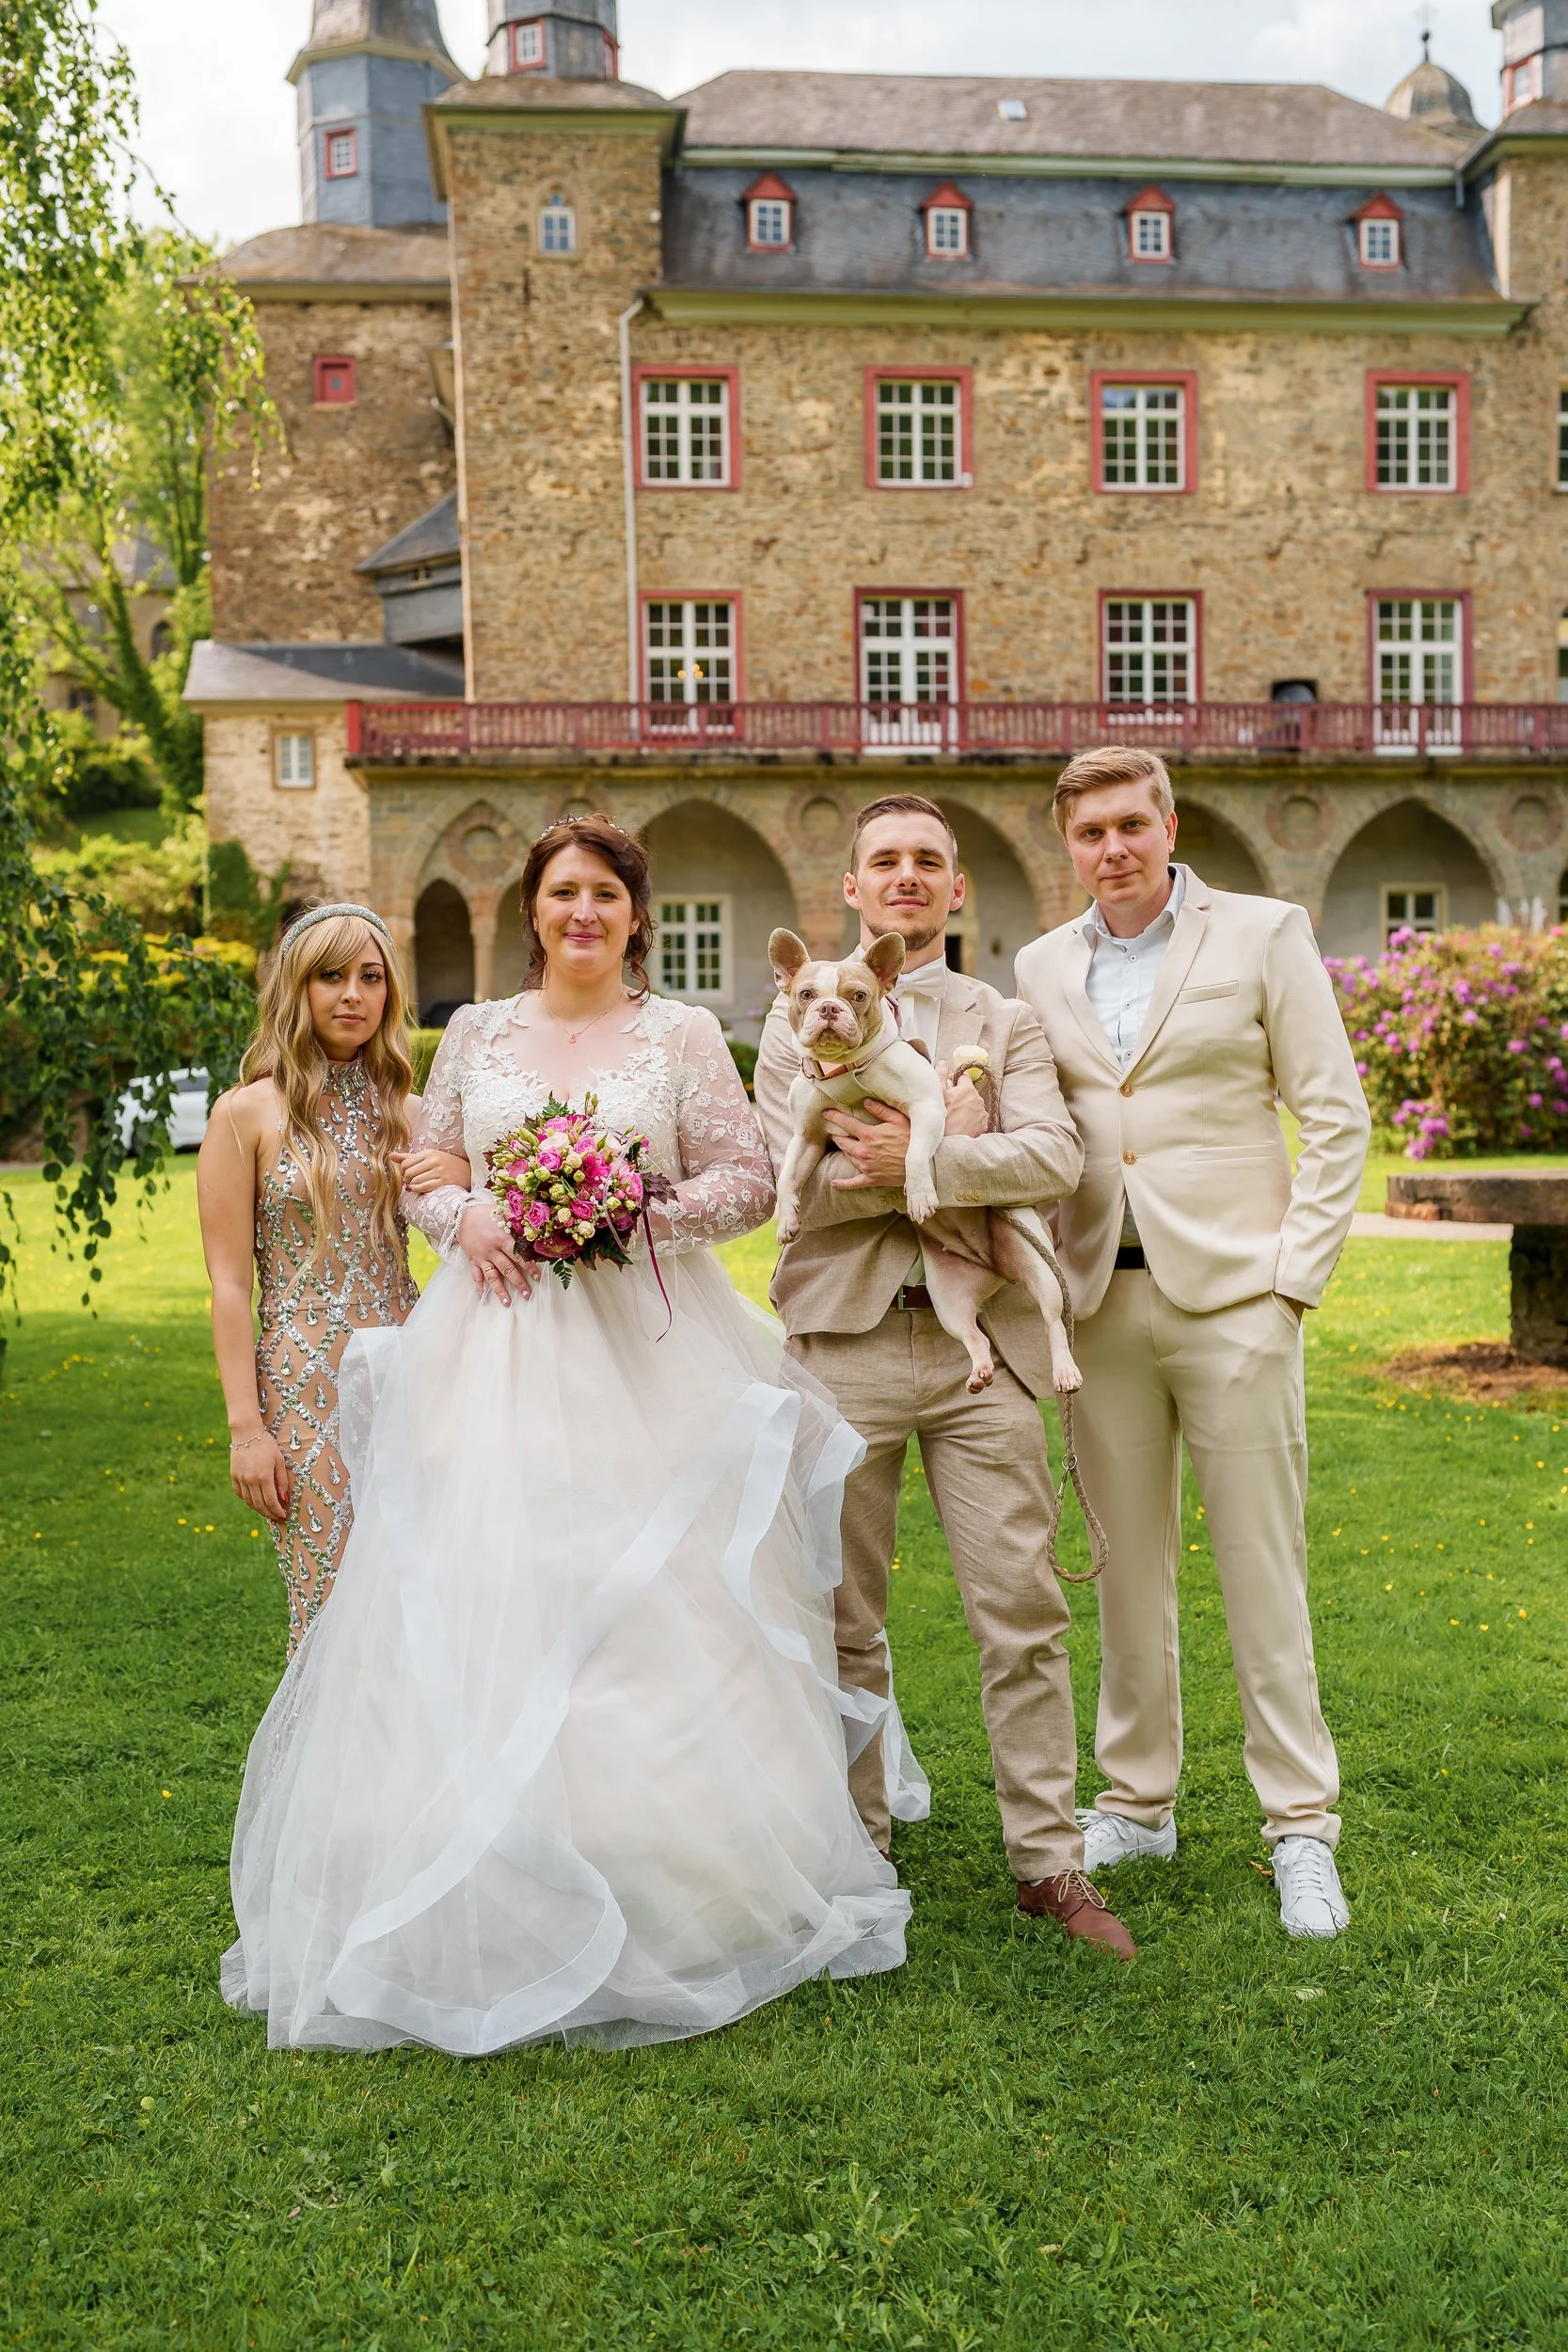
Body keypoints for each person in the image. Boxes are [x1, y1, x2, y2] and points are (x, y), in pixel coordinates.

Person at [222, 817, 908, 2053]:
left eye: (602, 894)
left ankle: (677, 1879)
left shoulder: (685, 1033)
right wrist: (469, 1213)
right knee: (496, 1577)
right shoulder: (476, 1031)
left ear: (634, 916)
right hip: (491, 1337)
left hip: (648, 1343)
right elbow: (423, 1156)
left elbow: (744, 1178)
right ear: (532, 912)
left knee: (657, 1595)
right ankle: (482, 1870)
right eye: (559, 894)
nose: (579, 912)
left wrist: (632, 1209)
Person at [756, 792, 1137, 1961]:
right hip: (845, 1339)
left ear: (954, 888)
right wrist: (893, 1166)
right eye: (885, 861)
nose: (907, 876)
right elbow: (796, 1187)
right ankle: (859, 1849)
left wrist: (903, 1154)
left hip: (987, 1345)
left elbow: (1056, 1156)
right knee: (839, 1614)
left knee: (1021, 1608)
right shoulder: (794, 1018)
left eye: (927, 860)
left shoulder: (1000, 1017)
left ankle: (1046, 1860)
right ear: (853, 890)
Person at [1013, 747, 1370, 1940]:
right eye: (1088, 833)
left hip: (1234, 1302)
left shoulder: (1264, 932)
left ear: (1167, 822)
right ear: (1066, 846)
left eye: (1128, 823)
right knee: (1125, 1570)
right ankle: (1138, 1798)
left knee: (1262, 1568)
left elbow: (1333, 1116)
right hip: (1097, 1305)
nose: (1110, 849)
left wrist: (1290, 1288)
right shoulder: (1037, 964)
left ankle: (1298, 1826)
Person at [198, 904, 468, 1655]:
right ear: (297, 987)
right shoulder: (243, 1115)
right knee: (331, 1604)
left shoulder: (415, 1116)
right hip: (302, 1382)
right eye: (331, 976)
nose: (353, 994)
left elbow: (471, 1235)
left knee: (421, 1595)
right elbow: (228, 1286)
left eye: (370, 977)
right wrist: (246, 1430)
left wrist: (454, 1171)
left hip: (411, 1368)